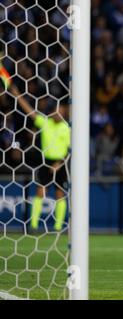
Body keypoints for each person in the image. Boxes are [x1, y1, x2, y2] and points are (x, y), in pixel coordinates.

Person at [10, 85, 70, 231]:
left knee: (60, 194)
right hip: (46, 161)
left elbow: (70, 150)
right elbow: (29, 112)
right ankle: (34, 225)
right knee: (40, 192)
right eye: (56, 110)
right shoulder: (45, 123)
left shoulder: (67, 128)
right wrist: (17, 95)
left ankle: (58, 227)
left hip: (61, 162)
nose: (58, 113)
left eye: (61, 111)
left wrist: (59, 163)